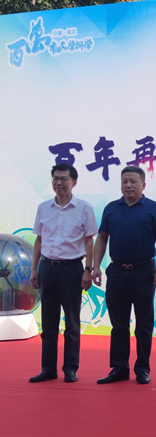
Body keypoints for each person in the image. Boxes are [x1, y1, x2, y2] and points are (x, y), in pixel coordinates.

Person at [92, 166, 156, 385]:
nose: (128, 185)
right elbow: (102, 238)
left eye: (133, 182)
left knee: (144, 324)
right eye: (124, 181)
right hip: (116, 272)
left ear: (143, 185)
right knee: (118, 325)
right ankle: (119, 368)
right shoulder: (111, 208)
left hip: (143, 272)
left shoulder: (154, 208)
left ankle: (142, 369)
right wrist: (96, 266)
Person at [28, 164, 97, 383]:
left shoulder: (84, 208)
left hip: (72, 269)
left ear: (74, 183)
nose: (59, 183)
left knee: (72, 323)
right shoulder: (43, 208)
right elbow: (39, 240)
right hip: (47, 268)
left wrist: (88, 269)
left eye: (64, 179)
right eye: (55, 178)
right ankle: (48, 369)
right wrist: (34, 269)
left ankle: (70, 368)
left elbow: (89, 241)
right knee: (48, 323)